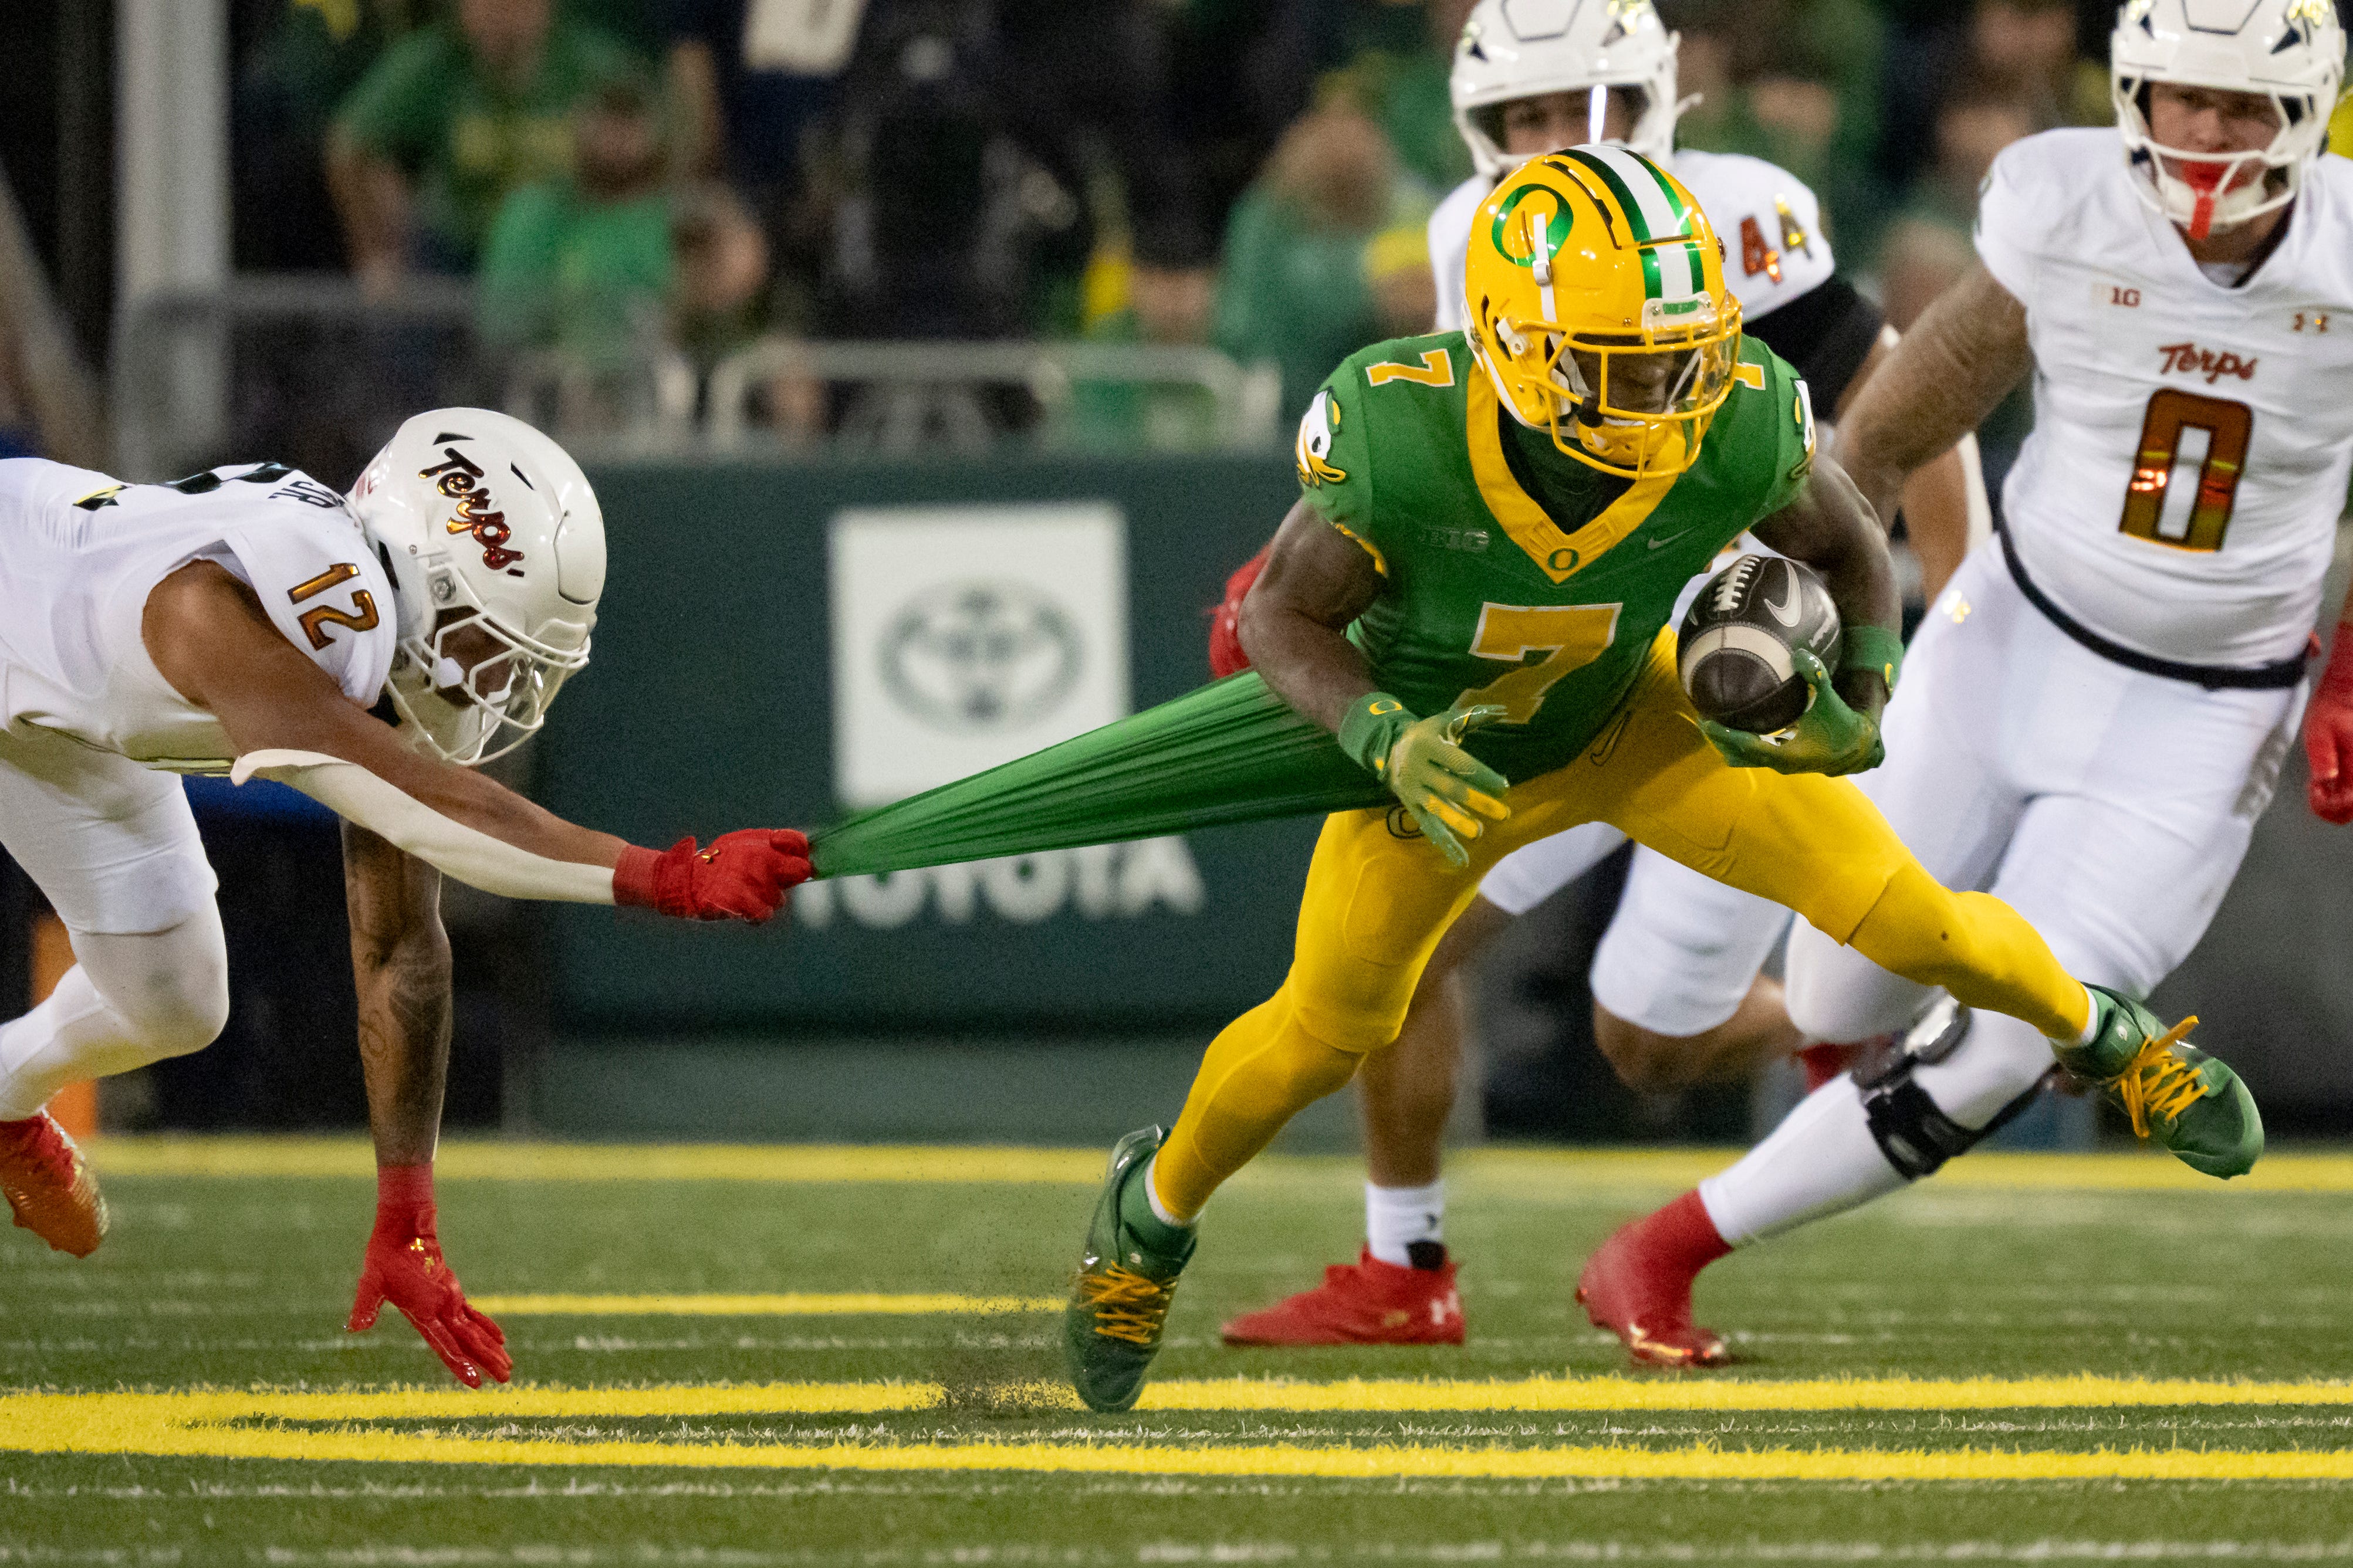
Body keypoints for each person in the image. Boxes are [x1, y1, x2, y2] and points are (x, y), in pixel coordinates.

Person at [1059, 145, 2252, 1414]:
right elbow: (1277, 625)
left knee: (1911, 916)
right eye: (1632, 364)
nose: (1671, 390)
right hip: (1447, 757)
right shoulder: (1400, 427)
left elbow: (1844, 534)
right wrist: (1379, 736)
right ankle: (1154, 1210)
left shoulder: (1731, 410)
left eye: (1684, 354)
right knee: (1322, 1031)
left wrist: (1869, 682)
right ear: (1517, 343)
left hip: (1645, 715)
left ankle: (2113, 1037)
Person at [1212, 0, 1983, 1350]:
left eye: (1587, 111)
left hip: (1715, 672)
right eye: (1522, 121)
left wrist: (1947, 613)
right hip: (1558, 656)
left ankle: (1860, 1002)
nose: (1558, 143)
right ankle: (1406, 1265)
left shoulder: (1729, 216)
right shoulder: (1474, 235)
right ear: (1472, 132)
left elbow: (1902, 398)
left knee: (1643, 1042)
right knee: (1402, 945)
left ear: (1651, 106)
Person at [1584, 0, 2340, 1368]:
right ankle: (1868, 1057)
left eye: (2239, 107)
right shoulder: (2063, 203)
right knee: (1832, 997)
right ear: (2130, 98)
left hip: (2205, 703)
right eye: (2181, 99)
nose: (2207, 134)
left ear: (2303, 114)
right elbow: (1933, 381)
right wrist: (1811, 551)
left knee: (2004, 1036)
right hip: (2008, 639)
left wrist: (2338, 675)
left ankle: (1662, 1248)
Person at [0, 409, 810, 1388]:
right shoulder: (285, 601)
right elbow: (442, 815)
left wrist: (407, 1215)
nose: (500, 687)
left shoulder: (350, 618)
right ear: (425, 576)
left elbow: (397, 948)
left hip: (55, 697)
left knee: (174, 994)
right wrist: (662, 874)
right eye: (489, 645)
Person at [327, 0, 644, 285]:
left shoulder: (592, 65)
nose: (500, 15)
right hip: (456, 248)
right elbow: (348, 144)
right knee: (404, 304)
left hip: (562, 247)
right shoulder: (436, 61)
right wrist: (374, 255)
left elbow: (656, 138)